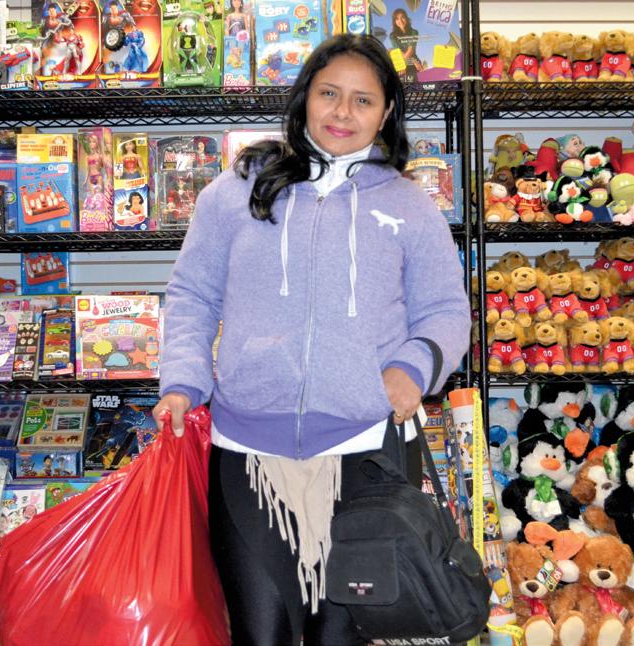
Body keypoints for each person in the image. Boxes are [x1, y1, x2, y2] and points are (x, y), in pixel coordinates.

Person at [153, 33, 469, 645]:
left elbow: (446, 310)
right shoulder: (236, 190)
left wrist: (413, 368)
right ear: (304, 98)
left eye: (363, 100)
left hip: (366, 452)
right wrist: (183, 382)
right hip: (248, 453)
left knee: (339, 638)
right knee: (260, 633)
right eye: (329, 93)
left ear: (386, 112)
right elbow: (192, 295)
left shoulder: (409, 205)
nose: (342, 112)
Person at [389, 8, 422, 83]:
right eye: (397, 19)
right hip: (402, 63)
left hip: (413, 63)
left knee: (416, 85)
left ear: (406, 18)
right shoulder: (392, 36)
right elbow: (399, 52)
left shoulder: (414, 32)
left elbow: (410, 51)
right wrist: (401, 66)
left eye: (402, 17)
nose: (400, 21)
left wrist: (413, 62)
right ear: (394, 22)